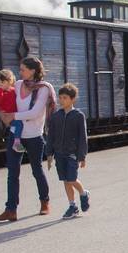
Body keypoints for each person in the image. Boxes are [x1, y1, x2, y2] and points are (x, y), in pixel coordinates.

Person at [0, 57, 56, 223]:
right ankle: (11, 210)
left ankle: (45, 202)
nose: (19, 73)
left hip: (34, 135)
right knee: (12, 173)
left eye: (22, 69)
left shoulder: (43, 89)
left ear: (33, 70)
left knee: (36, 170)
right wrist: (2, 113)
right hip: (16, 134)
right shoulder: (19, 84)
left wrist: (13, 116)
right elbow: (7, 101)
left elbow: (35, 112)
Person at [45, 83, 90, 220]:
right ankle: (72, 206)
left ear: (72, 99)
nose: (61, 100)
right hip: (59, 153)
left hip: (72, 154)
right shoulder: (56, 116)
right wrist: (49, 154)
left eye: (65, 98)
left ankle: (83, 193)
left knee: (71, 179)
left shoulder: (78, 116)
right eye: (60, 98)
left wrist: (82, 156)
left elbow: (83, 137)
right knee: (65, 180)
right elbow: (51, 136)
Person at [0, 69, 25, 153]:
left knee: (20, 124)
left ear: (9, 81)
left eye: (2, 82)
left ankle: (18, 141)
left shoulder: (14, 90)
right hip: (9, 116)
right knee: (19, 124)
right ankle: (16, 143)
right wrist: (0, 91)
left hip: (15, 114)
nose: (0, 85)